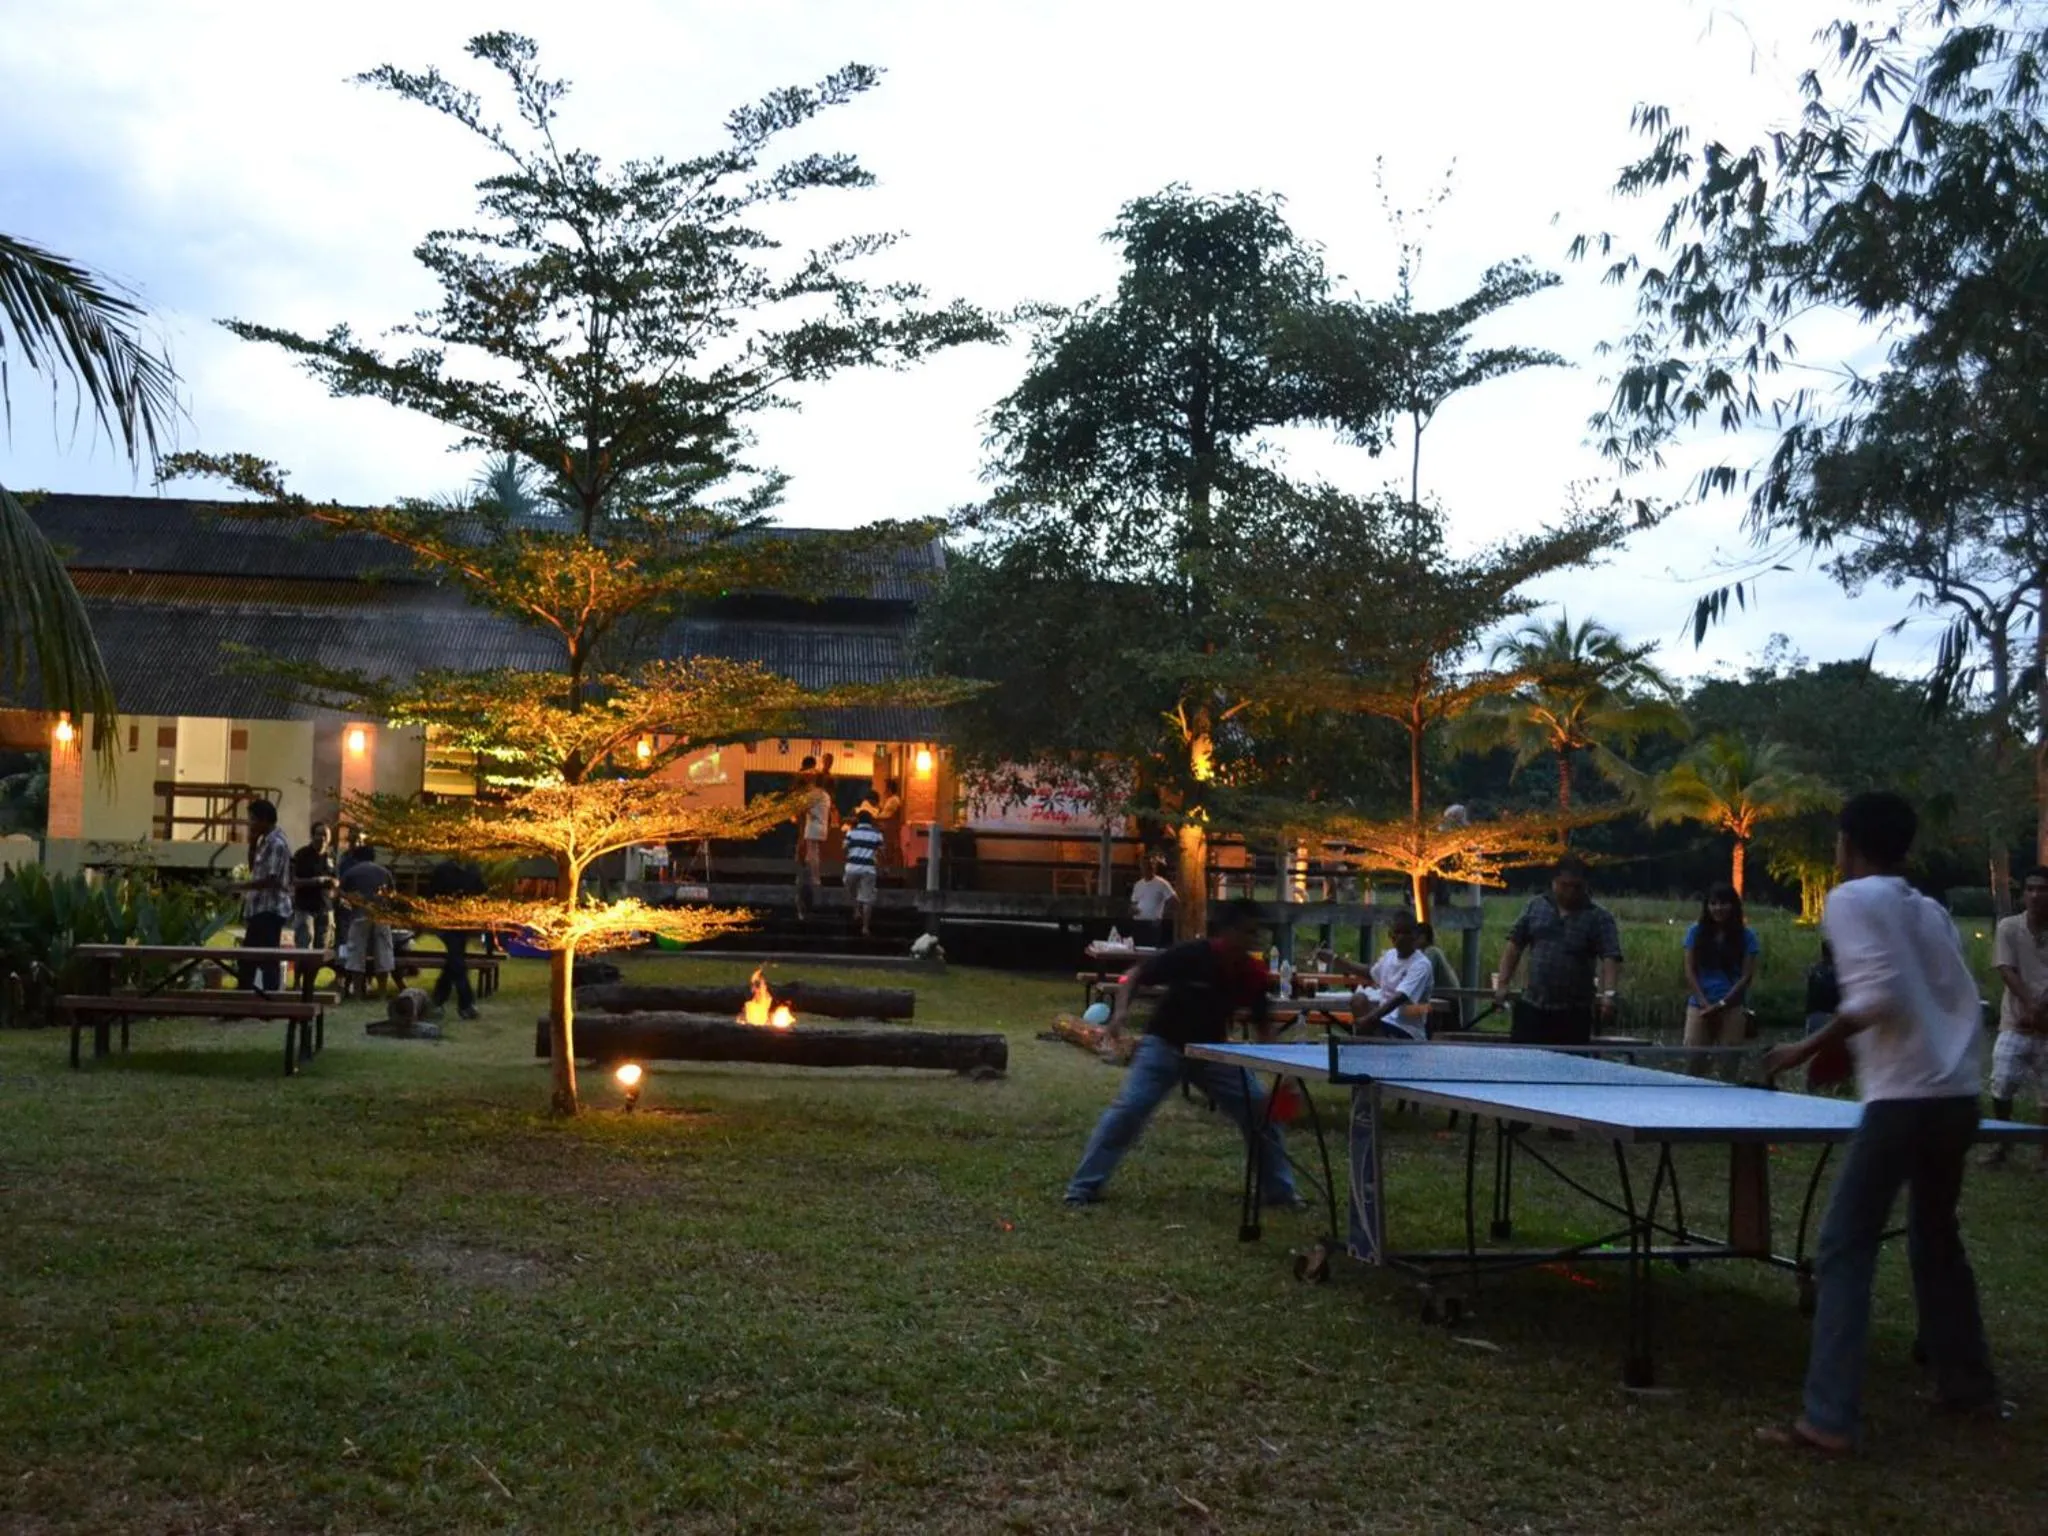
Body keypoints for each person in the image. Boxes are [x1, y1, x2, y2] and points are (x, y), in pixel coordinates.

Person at [1758, 791, 2001, 1453]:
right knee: (1934, 1236)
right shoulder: (1928, 909)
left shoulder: (1851, 900)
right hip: (1955, 1095)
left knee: (1842, 1244)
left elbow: (1877, 995)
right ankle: (1968, 1387)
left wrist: (1803, 1049)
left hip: (1903, 1100)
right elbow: (1949, 997)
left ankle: (1829, 1417)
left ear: (1847, 844)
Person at [1065, 899, 1298, 1209]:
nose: (1252, 940)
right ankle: (1081, 1189)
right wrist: (1119, 1015)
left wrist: (1282, 1074)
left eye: (1257, 934)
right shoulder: (1193, 954)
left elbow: (1263, 1026)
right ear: (1226, 932)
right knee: (1129, 1110)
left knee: (1261, 1114)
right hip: (1164, 1046)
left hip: (1212, 1053)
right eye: (1246, 932)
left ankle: (1282, 1195)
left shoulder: (1251, 972)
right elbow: (1135, 975)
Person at [1493, 854, 1623, 1045]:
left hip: (1573, 1011)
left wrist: (1609, 994)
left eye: (1576, 887)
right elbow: (1514, 945)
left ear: (1585, 886)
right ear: (1554, 883)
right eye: (1564, 885)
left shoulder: (1598, 917)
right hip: (1533, 1005)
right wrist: (1502, 983)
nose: (1570, 892)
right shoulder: (1536, 907)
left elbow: (1610, 956)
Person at [1984, 865, 2048, 1168]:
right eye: (2031, 889)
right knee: (2002, 1081)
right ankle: (2003, 1143)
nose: (2036, 895)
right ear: (2024, 894)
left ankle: (2044, 1152)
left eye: (2043, 889)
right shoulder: (2009, 927)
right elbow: (2005, 969)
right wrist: (2030, 1005)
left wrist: (2041, 1010)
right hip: (2016, 1022)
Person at [1682, 883, 1760, 1077]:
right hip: (1700, 1006)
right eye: (1713, 903)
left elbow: (1746, 976)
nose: (1718, 908)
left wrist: (1722, 1004)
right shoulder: (1696, 932)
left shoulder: (1747, 936)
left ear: (1733, 906)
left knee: (1728, 1066)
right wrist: (1704, 1003)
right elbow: (1690, 970)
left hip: (1732, 1006)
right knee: (1694, 1062)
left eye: (1724, 903)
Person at [1316, 915, 1436, 1039]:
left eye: (1402, 932)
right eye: (1394, 932)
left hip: (1406, 1029)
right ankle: (1368, 1044)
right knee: (1359, 999)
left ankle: (1368, 1045)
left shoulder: (1421, 964)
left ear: (1414, 935)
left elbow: (1400, 997)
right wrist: (1335, 959)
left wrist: (1370, 1018)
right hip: (1383, 1021)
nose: (1396, 937)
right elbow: (1370, 972)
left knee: (1367, 1025)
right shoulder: (1390, 955)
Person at [232, 798, 293, 993]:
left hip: (270, 908)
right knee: (249, 957)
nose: (250, 824)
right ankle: (245, 997)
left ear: (265, 820)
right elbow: (255, 869)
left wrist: (240, 885)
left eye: (252, 820)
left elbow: (272, 879)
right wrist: (251, 845)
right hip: (259, 907)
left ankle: (269, 1000)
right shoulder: (264, 842)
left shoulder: (276, 843)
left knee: (266, 957)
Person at [425, 855, 487, 1020]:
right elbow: (431, 894)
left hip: (463, 922)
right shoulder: (443, 870)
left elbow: (481, 892)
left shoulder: (472, 869)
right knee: (457, 961)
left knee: (454, 962)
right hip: (445, 922)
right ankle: (466, 1004)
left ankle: (437, 1001)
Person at [339, 844, 397, 1000]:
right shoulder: (384, 872)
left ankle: (358, 993)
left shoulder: (351, 872)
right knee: (383, 953)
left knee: (356, 954)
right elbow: (392, 895)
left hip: (359, 915)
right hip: (380, 915)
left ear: (357, 857)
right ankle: (382, 993)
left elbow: (341, 892)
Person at [289, 821, 339, 987]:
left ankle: (309, 984)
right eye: (319, 834)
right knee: (304, 948)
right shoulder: (302, 855)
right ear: (312, 835)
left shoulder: (331, 856)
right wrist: (315, 881)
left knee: (321, 950)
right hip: (305, 908)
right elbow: (293, 881)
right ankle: (297, 982)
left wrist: (334, 882)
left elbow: (337, 879)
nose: (322, 838)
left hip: (326, 909)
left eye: (326, 835)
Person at [793, 759, 831, 919]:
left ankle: (814, 878)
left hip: (814, 826)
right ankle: (815, 876)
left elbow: (802, 806)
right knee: (814, 853)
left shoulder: (816, 794)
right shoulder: (825, 795)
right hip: (820, 826)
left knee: (812, 854)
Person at [841, 809, 886, 937]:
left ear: (858, 820)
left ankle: (856, 910)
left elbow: (844, 848)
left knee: (851, 889)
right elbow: (883, 852)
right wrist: (883, 868)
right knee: (867, 899)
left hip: (852, 867)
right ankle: (865, 927)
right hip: (868, 869)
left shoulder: (851, 832)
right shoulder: (877, 834)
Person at [858, 777, 905, 878]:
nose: (884, 791)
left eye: (886, 789)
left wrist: (875, 817)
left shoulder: (893, 800)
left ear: (889, 789)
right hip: (884, 825)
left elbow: (887, 815)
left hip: (886, 827)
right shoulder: (891, 800)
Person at [1128, 856, 1178, 948]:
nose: (1147, 868)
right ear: (1141, 868)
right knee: (1138, 949)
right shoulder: (1138, 885)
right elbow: (1133, 903)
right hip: (1139, 922)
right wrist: (1133, 909)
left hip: (1153, 923)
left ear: (1154, 868)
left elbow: (1174, 900)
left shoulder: (1162, 883)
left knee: (1151, 951)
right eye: (1145, 866)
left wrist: (1162, 915)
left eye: (1150, 866)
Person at [1414, 920, 1458, 998]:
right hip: (1443, 997)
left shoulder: (1432, 951)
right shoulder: (1430, 952)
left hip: (1448, 999)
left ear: (1422, 937)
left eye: (1414, 937)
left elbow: (1422, 975)